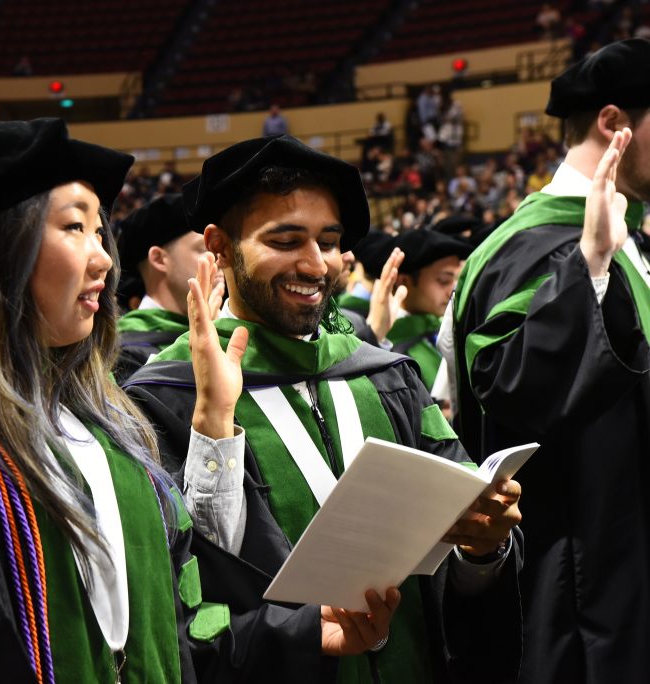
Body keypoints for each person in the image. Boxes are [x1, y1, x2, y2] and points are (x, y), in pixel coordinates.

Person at [0, 119, 399, 682]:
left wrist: (296, 631)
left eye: (101, 230)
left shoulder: (111, 429)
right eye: (75, 227)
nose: (104, 257)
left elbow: (181, 627)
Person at [125, 135, 524, 683]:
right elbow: (174, 600)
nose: (317, 266)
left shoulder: (385, 376)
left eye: (329, 242)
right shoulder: (167, 398)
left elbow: (464, 560)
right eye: (287, 240)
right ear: (218, 245)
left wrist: (483, 548)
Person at [451, 38, 650, 683]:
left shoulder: (628, 236)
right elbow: (514, 392)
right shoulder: (532, 250)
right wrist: (589, 264)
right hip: (584, 598)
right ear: (615, 124)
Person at [115, 194, 222, 381]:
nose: (219, 259)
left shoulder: (228, 325)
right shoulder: (121, 352)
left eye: (219, 248)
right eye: (205, 249)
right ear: (158, 259)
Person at [387, 229, 472, 393]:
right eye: (444, 280)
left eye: (455, 280)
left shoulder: (441, 325)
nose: (452, 291)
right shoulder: (388, 344)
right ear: (404, 281)